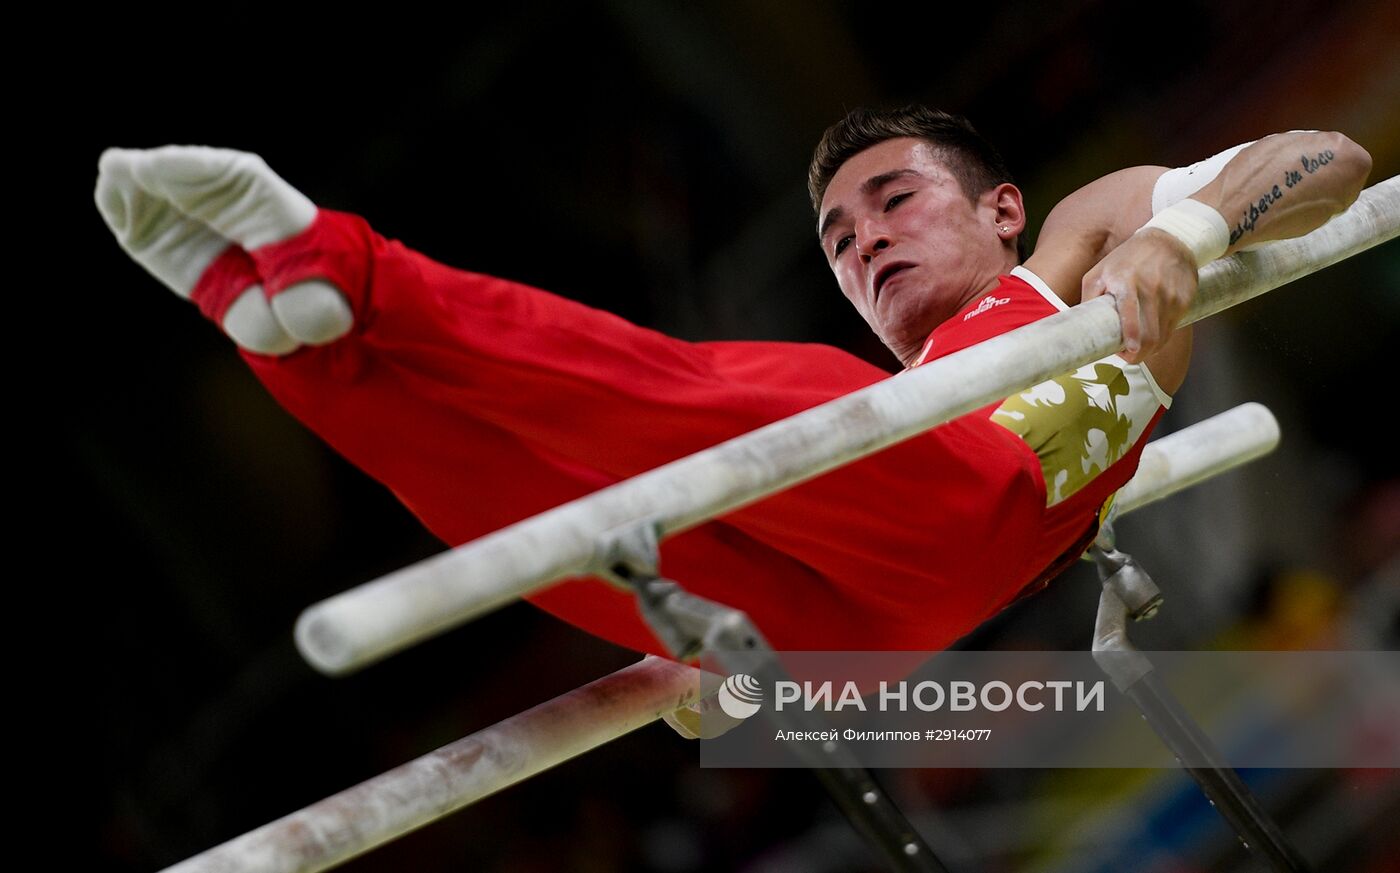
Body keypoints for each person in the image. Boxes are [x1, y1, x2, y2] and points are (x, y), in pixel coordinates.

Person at [93, 107, 1370, 664]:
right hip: (851, 639)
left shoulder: (1072, 251)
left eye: (891, 199)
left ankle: (346, 268)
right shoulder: (871, 400)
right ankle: (287, 339)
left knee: (694, 397)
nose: (860, 238)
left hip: (982, 498)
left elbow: (1332, 153)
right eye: (834, 239)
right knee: (547, 516)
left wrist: (1179, 236)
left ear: (999, 205)